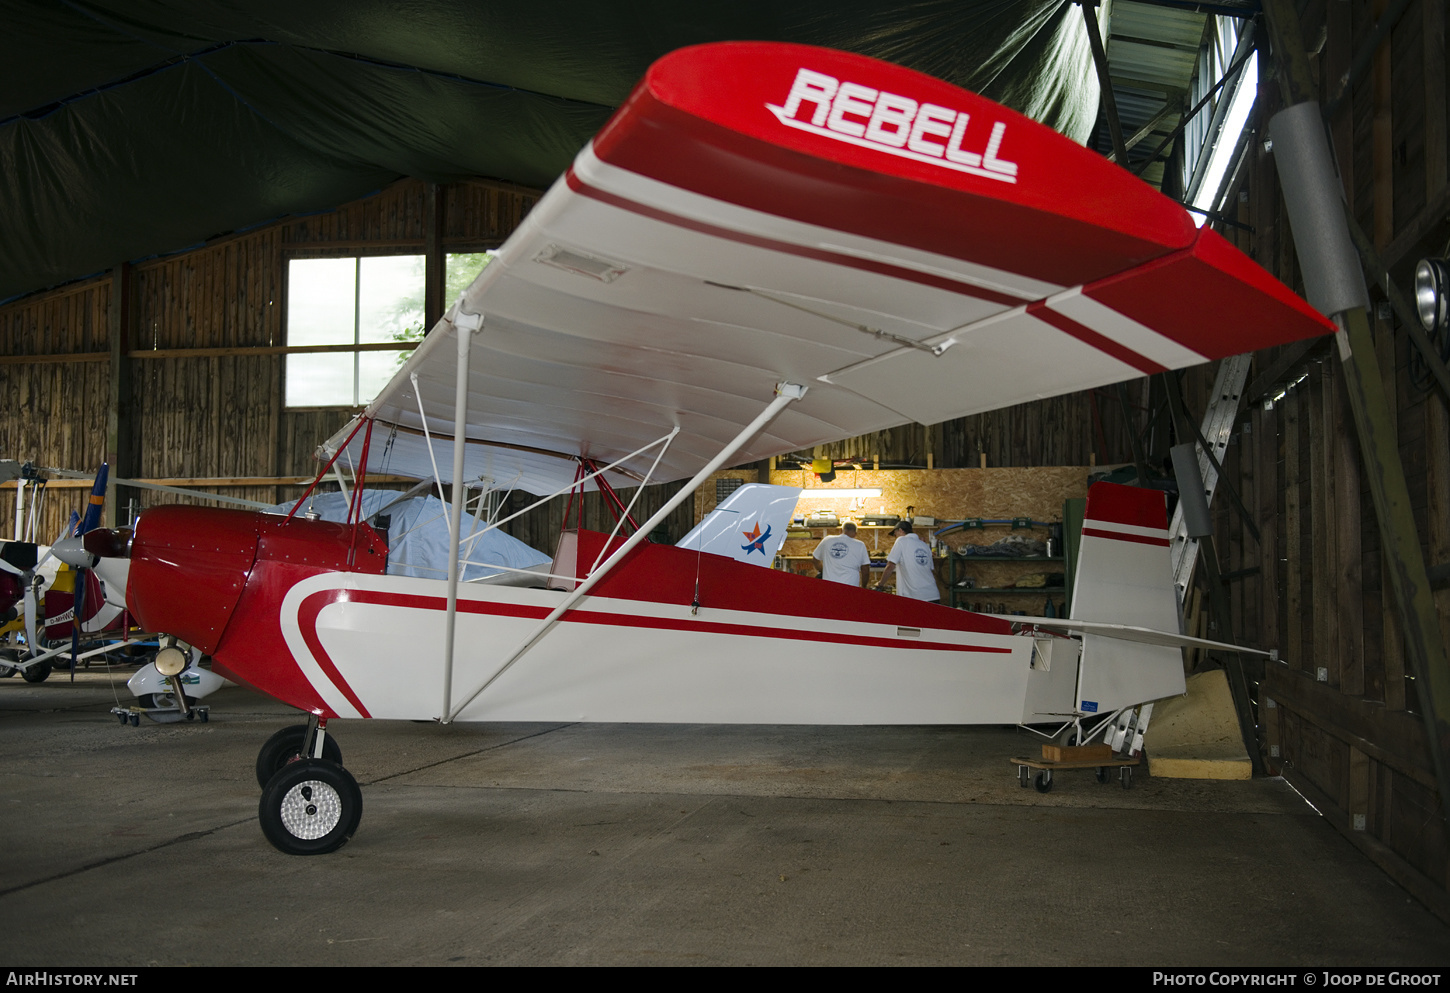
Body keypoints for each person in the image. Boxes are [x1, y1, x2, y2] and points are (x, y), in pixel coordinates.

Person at [875, 521, 940, 603]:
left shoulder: (901, 540)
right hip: (933, 594)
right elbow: (930, 569)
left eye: (895, 534)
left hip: (916, 596)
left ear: (901, 530)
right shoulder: (924, 545)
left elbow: (890, 566)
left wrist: (880, 584)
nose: (895, 537)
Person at [812, 521, 872, 587]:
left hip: (829, 586)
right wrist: (864, 587)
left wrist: (823, 571)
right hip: (850, 586)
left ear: (842, 530)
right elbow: (865, 570)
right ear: (855, 533)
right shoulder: (860, 545)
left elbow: (815, 559)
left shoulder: (827, 540)